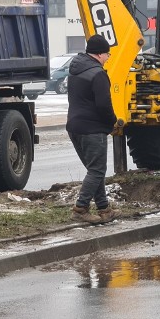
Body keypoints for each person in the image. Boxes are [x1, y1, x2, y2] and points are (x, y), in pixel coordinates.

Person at [66, 34, 121, 224]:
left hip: (75, 127)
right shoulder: (98, 74)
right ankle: (80, 209)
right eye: (107, 54)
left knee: (94, 170)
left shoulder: (75, 70)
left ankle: (104, 209)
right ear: (99, 54)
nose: (108, 58)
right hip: (92, 128)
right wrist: (112, 122)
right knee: (97, 170)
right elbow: (104, 105)